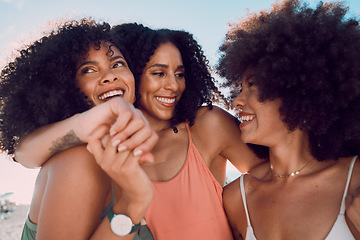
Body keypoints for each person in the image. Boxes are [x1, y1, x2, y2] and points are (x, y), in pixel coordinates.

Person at [15, 23, 263, 239]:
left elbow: (278, 177)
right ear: (137, 73)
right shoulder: (88, 158)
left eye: (180, 74)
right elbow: (24, 153)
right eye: (158, 72)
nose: (173, 85)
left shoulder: (206, 124)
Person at [0, 19, 157, 239]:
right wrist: (133, 204)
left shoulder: (126, 160)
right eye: (88, 70)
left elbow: (25, 153)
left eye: (117, 64)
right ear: (64, 86)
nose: (110, 76)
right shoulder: (79, 160)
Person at [216, 0, 360, 239]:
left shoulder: (354, 178)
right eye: (239, 87)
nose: (237, 101)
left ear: (298, 89)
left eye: (252, 85)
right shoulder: (236, 198)